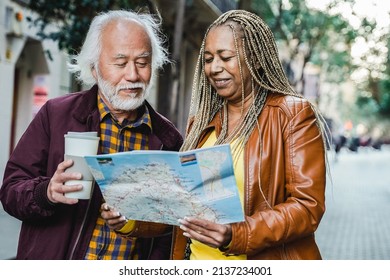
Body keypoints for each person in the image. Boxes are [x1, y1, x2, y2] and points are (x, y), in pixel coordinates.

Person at [0, 10, 182, 260]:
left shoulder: (167, 140)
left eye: (142, 62)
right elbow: (10, 190)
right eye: (120, 63)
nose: (133, 75)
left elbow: (169, 229)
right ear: (94, 68)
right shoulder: (57, 115)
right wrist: (47, 192)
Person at [172, 10, 328, 260]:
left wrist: (238, 235)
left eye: (226, 57)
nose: (214, 68)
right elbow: (181, 207)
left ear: (255, 59)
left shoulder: (291, 115)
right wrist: (128, 220)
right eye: (209, 59)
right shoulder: (200, 125)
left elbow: (306, 207)